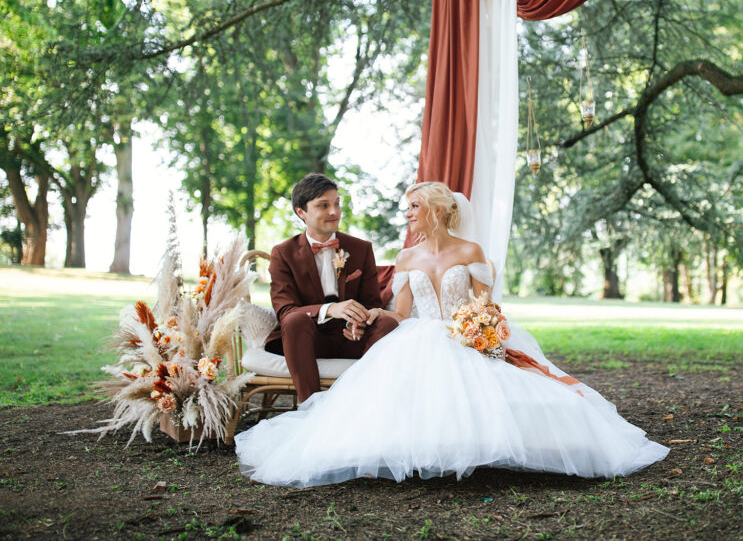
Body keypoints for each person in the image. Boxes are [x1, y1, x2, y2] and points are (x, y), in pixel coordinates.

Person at [236, 181, 669, 486]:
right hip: (418, 333)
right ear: (303, 212)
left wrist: (481, 328)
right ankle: (327, 419)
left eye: (412, 208)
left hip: (468, 331)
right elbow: (401, 313)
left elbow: (486, 305)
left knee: (500, 382)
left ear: (436, 210)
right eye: (407, 209)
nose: (406, 215)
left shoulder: (470, 252)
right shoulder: (405, 257)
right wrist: (372, 322)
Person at [264, 173, 398, 403]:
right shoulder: (283, 253)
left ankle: (366, 402)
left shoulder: (361, 248)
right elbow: (286, 310)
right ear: (301, 212)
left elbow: (372, 303)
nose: (334, 212)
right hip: (308, 339)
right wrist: (331, 309)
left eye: (336, 203)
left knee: (387, 322)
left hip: (352, 339)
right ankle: (311, 407)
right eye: (323, 205)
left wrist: (359, 323)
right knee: (294, 320)